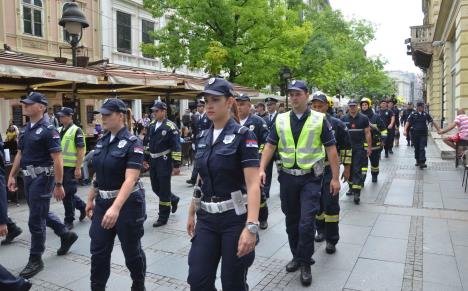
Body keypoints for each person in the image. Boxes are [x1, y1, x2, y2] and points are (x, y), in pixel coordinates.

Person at [260, 80, 340, 286]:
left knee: (306, 222)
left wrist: (335, 178)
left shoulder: (320, 119)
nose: (294, 98)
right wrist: (261, 169)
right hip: (287, 178)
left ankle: (305, 262)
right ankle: (296, 255)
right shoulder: (280, 119)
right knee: (291, 221)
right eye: (291, 94)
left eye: (298, 94)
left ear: (307, 95)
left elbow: (331, 149)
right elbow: (270, 145)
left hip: (310, 179)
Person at [186, 77, 261, 291]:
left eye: (215, 100)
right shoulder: (202, 136)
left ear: (229, 102)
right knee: (198, 280)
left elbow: (254, 184)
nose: (208, 105)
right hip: (207, 219)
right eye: (206, 100)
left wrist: (251, 227)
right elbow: (201, 177)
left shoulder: (244, 135)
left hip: (234, 219)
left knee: (232, 283)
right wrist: (192, 211)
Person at [7, 92, 78, 279]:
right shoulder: (25, 129)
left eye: (29, 104)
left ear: (41, 107)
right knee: (41, 211)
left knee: (35, 219)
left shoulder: (48, 130)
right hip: (29, 179)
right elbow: (20, 154)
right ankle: (65, 234)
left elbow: (58, 159)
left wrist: (59, 183)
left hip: (42, 178)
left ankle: (36, 258)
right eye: (25, 103)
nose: (25, 106)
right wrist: (12, 175)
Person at [85, 98, 146, 291]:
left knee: (131, 252)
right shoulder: (102, 141)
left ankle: (138, 284)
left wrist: (116, 208)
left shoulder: (133, 143)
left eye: (107, 114)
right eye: (101, 114)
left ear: (120, 116)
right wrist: (90, 198)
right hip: (103, 204)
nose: (103, 118)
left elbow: (131, 179)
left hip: (127, 205)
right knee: (98, 251)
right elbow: (99, 174)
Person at [310, 93, 351, 254]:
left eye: (320, 106)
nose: (317, 109)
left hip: (329, 169)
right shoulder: (308, 123)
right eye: (314, 106)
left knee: (331, 204)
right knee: (316, 204)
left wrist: (346, 168)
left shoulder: (337, 124)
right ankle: (320, 230)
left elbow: (346, 148)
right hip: (312, 170)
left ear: (327, 106)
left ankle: (332, 239)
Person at [144, 101, 181, 227]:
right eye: (153, 111)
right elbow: (146, 142)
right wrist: (145, 158)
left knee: (164, 190)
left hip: (164, 161)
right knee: (155, 188)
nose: (154, 113)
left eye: (156, 111)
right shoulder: (151, 125)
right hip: (153, 160)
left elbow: (176, 147)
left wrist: (176, 165)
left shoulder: (171, 127)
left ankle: (163, 216)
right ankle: (173, 199)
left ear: (163, 111)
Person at [236, 94, 270, 230]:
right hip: (237, 164)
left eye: (242, 104)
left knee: (258, 192)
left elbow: (265, 141)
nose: (239, 107)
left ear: (249, 106)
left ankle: (262, 218)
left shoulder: (257, 121)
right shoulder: (232, 120)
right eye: (237, 104)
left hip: (253, 163)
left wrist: (259, 155)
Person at [56, 107, 87, 229]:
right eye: (60, 116)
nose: (60, 118)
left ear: (70, 116)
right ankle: (82, 206)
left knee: (67, 194)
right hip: (60, 167)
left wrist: (78, 168)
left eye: (63, 116)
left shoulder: (76, 130)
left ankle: (69, 220)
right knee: (67, 193)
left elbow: (80, 150)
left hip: (71, 167)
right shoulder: (58, 130)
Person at [341, 99, 372, 204]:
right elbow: (340, 135)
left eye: (354, 106)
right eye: (351, 106)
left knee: (357, 169)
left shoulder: (364, 118)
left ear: (357, 106)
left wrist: (369, 147)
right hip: (346, 149)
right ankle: (351, 187)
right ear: (348, 107)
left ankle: (357, 193)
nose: (352, 107)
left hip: (359, 148)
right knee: (348, 168)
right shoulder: (343, 118)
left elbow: (367, 133)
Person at [404, 101, 442, 169]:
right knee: (417, 148)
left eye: (423, 106)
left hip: (423, 134)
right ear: (418, 107)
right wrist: (405, 130)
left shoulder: (425, 114)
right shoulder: (413, 114)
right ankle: (417, 160)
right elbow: (408, 122)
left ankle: (422, 162)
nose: (423, 108)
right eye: (422, 106)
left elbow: (432, 121)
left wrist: (438, 129)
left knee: (422, 148)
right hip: (414, 134)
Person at [360, 98, 387, 183]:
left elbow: (384, 130)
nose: (364, 106)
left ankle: (374, 175)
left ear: (369, 105)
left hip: (375, 145)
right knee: (362, 164)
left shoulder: (376, 117)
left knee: (374, 163)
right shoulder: (358, 117)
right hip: (362, 145)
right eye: (362, 105)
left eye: (365, 105)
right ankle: (362, 179)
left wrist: (383, 140)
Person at [187, 100, 212, 185]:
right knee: (197, 159)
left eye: (200, 106)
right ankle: (194, 178)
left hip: (206, 140)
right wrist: (193, 141)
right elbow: (194, 130)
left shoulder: (208, 116)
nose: (198, 108)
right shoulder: (195, 117)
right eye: (197, 106)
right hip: (198, 140)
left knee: (203, 160)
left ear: (204, 107)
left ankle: (198, 178)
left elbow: (210, 129)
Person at [262, 97, 279, 207]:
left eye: (271, 105)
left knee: (281, 170)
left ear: (276, 105)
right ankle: (266, 191)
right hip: (268, 148)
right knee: (267, 172)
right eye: (268, 105)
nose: (269, 107)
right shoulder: (265, 118)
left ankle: (284, 189)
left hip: (278, 149)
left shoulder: (281, 117)